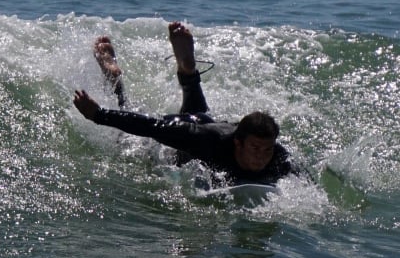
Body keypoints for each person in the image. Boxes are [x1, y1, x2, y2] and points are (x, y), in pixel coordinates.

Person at [73, 22, 298, 186]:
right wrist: (98, 115)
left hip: (203, 123)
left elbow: (305, 179)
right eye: (255, 149)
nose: (262, 156)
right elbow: (150, 126)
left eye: (266, 149)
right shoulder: (209, 142)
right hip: (183, 136)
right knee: (129, 129)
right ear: (238, 143)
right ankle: (113, 75)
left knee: (199, 113)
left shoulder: (276, 155)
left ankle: (188, 69)